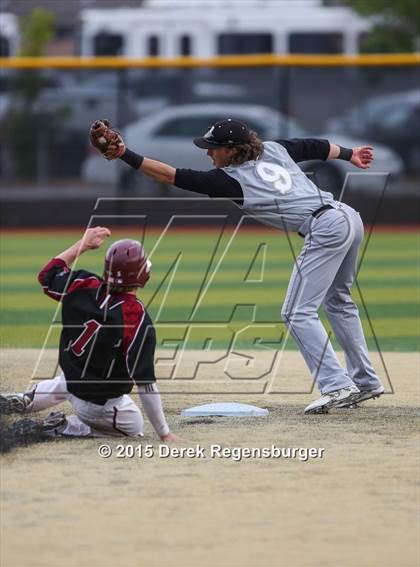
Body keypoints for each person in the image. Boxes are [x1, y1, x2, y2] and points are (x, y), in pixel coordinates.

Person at [88, 118, 385, 414]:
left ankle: (337, 386)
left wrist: (125, 154)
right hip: (348, 216)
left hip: (326, 226)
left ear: (231, 150)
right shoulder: (273, 148)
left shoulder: (231, 181)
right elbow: (316, 146)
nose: (208, 153)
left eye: (213, 148)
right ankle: (366, 381)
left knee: (296, 311)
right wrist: (349, 153)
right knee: (338, 302)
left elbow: (170, 176)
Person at [0, 226, 178, 439]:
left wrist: (83, 244)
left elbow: (47, 274)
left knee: (69, 378)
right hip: (97, 406)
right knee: (133, 425)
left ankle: (27, 399)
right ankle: (64, 427)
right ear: (142, 276)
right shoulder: (136, 316)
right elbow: (145, 382)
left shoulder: (83, 284)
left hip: (72, 380)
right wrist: (164, 433)